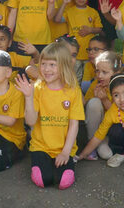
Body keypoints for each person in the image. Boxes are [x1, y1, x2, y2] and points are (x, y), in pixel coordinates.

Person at [15, 42, 84, 190]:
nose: (46, 69)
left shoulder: (73, 90)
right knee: (43, 180)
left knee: (63, 182)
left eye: (52, 65)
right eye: (43, 64)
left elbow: (74, 125)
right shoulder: (37, 88)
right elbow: (31, 121)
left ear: (64, 65)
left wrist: (66, 152)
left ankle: (65, 158)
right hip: (41, 146)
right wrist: (28, 96)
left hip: (64, 147)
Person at [82, 50, 124, 160]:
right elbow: (86, 106)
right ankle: (92, 145)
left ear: (116, 73)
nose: (99, 75)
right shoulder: (96, 84)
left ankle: (103, 144)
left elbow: (120, 115)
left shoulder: (122, 88)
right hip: (96, 131)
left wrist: (105, 100)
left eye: (105, 72)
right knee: (94, 103)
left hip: (112, 131)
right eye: (97, 71)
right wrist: (92, 98)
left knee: (107, 155)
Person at [55, 0, 103, 65]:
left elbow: (99, 29)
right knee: (74, 77)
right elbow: (57, 20)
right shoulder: (69, 11)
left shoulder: (93, 12)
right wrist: (64, 3)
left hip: (89, 54)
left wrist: (90, 30)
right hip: (73, 55)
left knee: (87, 77)